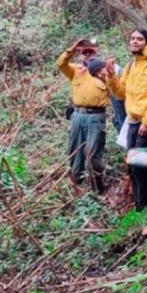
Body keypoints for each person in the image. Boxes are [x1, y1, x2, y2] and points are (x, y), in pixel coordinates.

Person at [106, 28, 147, 215]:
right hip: (132, 123)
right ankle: (141, 207)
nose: (134, 41)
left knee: (140, 167)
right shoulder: (131, 65)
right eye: (132, 38)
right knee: (133, 168)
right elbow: (121, 93)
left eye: (139, 39)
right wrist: (110, 75)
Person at [56, 39, 108, 193]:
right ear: (80, 54)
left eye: (91, 51)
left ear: (96, 51)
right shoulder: (75, 70)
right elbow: (60, 64)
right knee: (75, 149)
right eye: (85, 52)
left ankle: (97, 185)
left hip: (96, 117)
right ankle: (77, 183)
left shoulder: (103, 70)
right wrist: (71, 50)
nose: (88, 55)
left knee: (93, 152)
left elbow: (117, 88)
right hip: (77, 115)